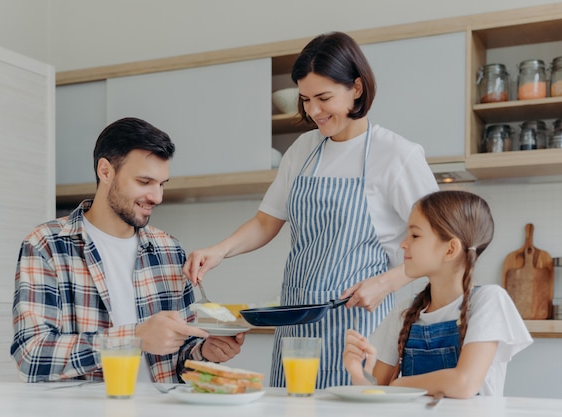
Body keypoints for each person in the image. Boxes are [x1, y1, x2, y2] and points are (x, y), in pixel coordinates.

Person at [182, 32, 439, 388]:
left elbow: (442, 241)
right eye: (305, 99)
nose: (313, 111)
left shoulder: (396, 155)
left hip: (361, 326)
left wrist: (385, 283)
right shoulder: (304, 150)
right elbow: (265, 221)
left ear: (357, 89)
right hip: (298, 326)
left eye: (324, 98)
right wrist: (219, 251)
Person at [11, 117, 244, 383]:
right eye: (144, 182)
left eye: (161, 184)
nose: (157, 197)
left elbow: (180, 360)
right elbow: (30, 355)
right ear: (106, 171)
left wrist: (204, 352)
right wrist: (134, 338)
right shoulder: (47, 244)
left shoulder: (169, 250)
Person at [343, 190, 533, 397]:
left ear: (450, 249)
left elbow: (464, 383)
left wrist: (398, 385)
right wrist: (358, 375)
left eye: (415, 235)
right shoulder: (405, 310)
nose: (403, 244)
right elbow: (378, 393)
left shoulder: (488, 300)